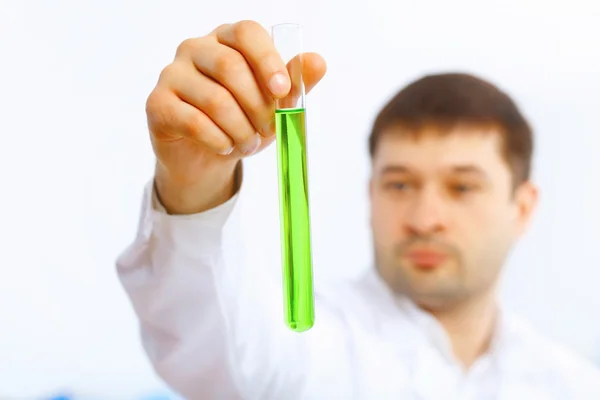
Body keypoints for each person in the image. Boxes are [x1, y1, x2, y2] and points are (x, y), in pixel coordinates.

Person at [116, 20, 600, 399]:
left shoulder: (572, 386)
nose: (425, 217)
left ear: (522, 207)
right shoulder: (306, 347)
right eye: (399, 184)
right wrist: (192, 182)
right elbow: (211, 350)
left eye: (462, 187)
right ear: (370, 195)